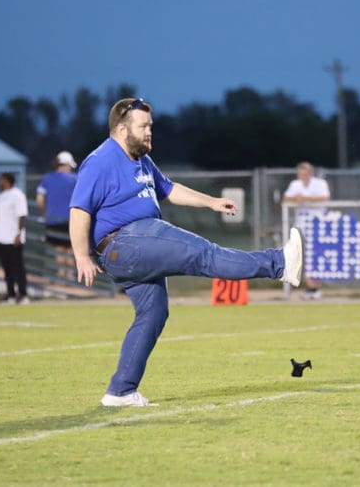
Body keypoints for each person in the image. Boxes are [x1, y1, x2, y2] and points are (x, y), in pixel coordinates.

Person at [70, 97, 303, 408]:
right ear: (122, 129)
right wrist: (81, 256)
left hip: (132, 245)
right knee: (204, 254)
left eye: (151, 126)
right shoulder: (100, 161)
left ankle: (121, 390)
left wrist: (212, 202)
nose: (150, 132)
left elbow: (170, 189)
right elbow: (78, 210)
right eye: (143, 127)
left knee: (153, 313)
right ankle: (279, 264)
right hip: (126, 241)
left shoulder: (140, 159)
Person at [282, 161, 331, 300]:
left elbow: (324, 198)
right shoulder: (295, 185)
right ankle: (309, 287)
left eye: (305, 173)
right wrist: (296, 198)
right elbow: (286, 199)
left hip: (318, 226)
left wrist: (305, 198)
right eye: (300, 173)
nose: (302, 176)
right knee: (298, 255)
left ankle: (314, 288)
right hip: (301, 226)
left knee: (315, 257)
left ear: (310, 173)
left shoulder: (320, 184)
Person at [0, 172, 30, 304]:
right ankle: (11, 295)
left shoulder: (17, 195)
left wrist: (18, 234)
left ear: (7, 181)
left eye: (0, 180)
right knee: (7, 269)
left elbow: (22, 215)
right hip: (1, 237)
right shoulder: (1, 197)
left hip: (13, 238)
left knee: (18, 267)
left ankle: (23, 295)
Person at [36, 151, 79, 279]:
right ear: (66, 165)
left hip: (53, 220)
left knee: (59, 250)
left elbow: (39, 199)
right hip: (72, 220)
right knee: (71, 250)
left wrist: (45, 213)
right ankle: (70, 276)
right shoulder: (75, 179)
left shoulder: (47, 179)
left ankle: (61, 275)